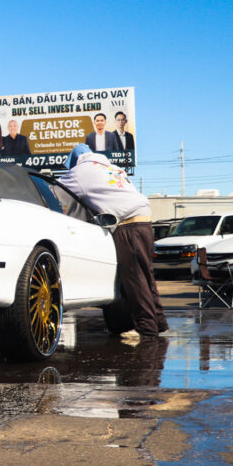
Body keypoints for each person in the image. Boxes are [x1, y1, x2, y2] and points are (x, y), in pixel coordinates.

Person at [61, 144, 167, 337]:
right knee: (146, 275)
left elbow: (55, 189)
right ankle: (159, 323)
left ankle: (146, 328)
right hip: (144, 220)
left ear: (75, 160)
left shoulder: (79, 172)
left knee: (134, 277)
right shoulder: (113, 168)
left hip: (127, 225)